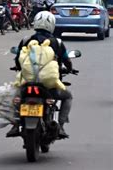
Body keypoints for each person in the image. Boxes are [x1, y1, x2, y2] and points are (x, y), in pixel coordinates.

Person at [7, 11, 74, 139]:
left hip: (27, 83)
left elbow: (18, 59)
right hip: (49, 86)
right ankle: (61, 126)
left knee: (15, 97)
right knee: (67, 97)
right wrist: (69, 69)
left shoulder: (26, 40)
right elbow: (66, 60)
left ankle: (15, 124)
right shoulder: (57, 42)